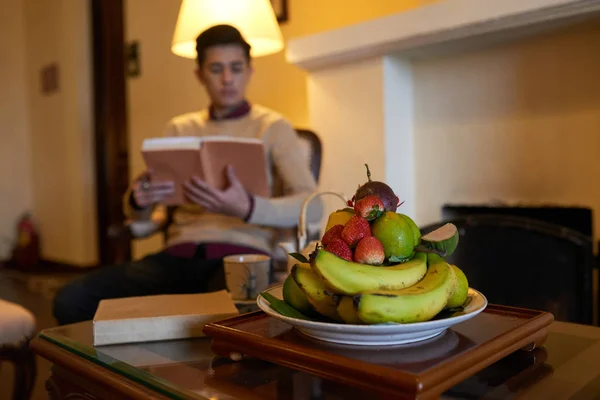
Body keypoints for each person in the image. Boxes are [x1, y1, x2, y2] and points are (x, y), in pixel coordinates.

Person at [53, 24, 322, 325]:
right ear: (199, 74)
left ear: (250, 70)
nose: (227, 79)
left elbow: (314, 207)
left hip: (240, 255)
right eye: (216, 69)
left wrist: (246, 207)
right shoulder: (179, 128)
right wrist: (140, 202)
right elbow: (152, 218)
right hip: (177, 256)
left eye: (236, 68)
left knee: (237, 319)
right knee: (71, 300)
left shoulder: (273, 127)